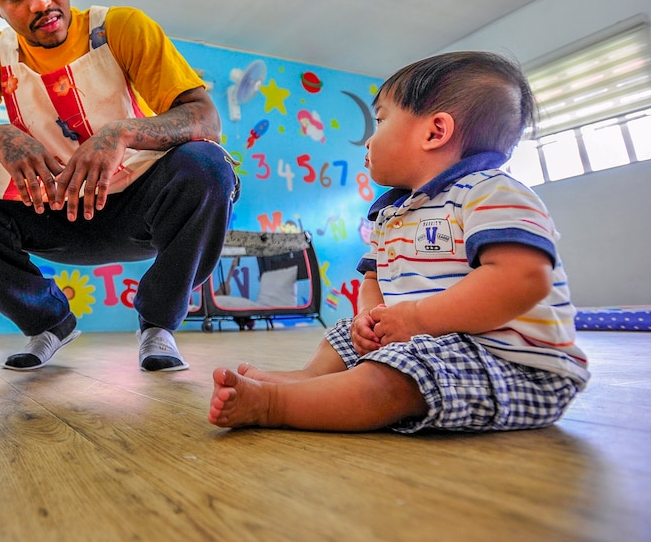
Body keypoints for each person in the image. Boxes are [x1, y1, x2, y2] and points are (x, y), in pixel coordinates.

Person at [208, 52, 590, 432]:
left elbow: (521, 277)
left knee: (394, 378)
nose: (369, 142)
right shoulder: (393, 213)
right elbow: (374, 279)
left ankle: (276, 405)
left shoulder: (490, 191)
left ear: (434, 132)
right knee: (344, 331)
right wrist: (369, 320)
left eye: (380, 121)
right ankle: (310, 380)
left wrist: (417, 319)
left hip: (514, 365)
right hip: (431, 341)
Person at [0, 0, 238, 372]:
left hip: (136, 209)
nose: (41, 2)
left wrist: (120, 133)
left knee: (208, 165)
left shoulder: (122, 27)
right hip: (50, 214)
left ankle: (158, 324)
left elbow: (206, 118)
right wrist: (1, 135)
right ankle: (48, 322)